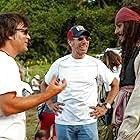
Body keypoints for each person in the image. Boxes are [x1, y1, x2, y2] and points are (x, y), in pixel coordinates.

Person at [42, 25, 119, 140]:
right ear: (70, 42)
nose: (85, 42)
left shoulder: (95, 63)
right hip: (64, 122)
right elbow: (44, 85)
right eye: (80, 39)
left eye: (87, 39)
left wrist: (105, 107)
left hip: (88, 122)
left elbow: (115, 84)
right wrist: (50, 104)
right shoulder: (60, 64)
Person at [0, 12, 67, 140]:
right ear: (9, 34)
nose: (28, 37)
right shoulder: (5, 62)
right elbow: (8, 105)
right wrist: (48, 94)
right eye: (24, 32)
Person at [110, 6, 140, 140]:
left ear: (132, 25)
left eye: (119, 26)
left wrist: (126, 133)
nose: (116, 31)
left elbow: (138, 99)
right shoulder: (131, 53)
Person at [97, 50, 122, 140]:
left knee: (110, 128)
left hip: (114, 105)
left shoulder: (108, 73)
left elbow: (109, 91)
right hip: (125, 102)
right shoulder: (122, 69)